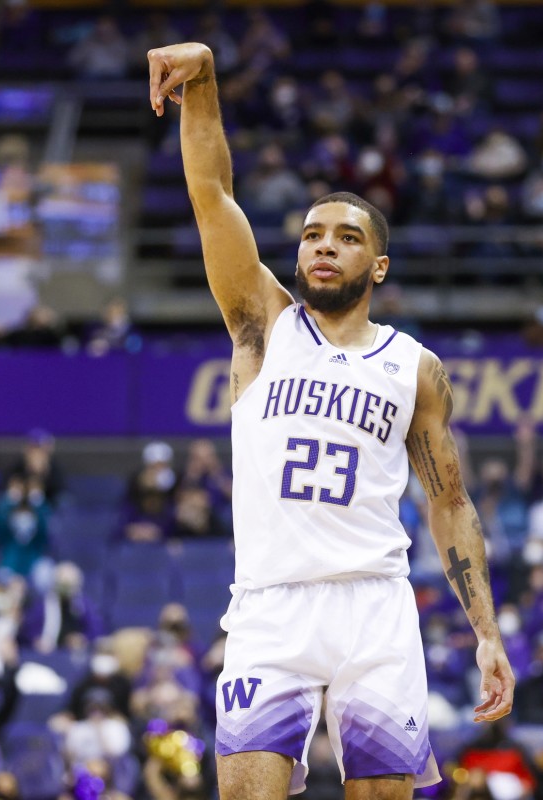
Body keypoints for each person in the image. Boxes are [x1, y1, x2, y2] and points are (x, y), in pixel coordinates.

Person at [146, 42, 514, 800]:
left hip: (375, 606)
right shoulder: (262, 324)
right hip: (270, 604)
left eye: (347, 238)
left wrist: (486, 633)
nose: (324, 246)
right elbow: (212, 197)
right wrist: (205, 81)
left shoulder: (415, 366)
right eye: (313, 234)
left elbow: (449, 502)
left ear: (377, 266)